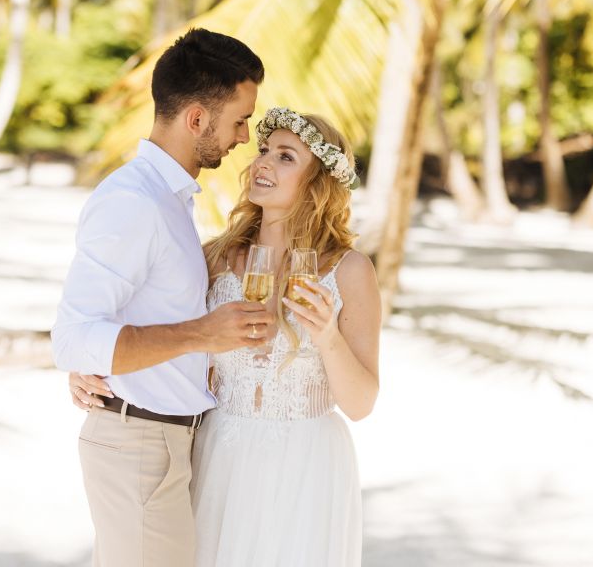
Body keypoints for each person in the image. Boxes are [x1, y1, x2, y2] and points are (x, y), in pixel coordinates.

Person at [72, 106, 381, 566]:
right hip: (218, 451)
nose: (262, 163)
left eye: (285, 156)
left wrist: (327, 336)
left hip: (307, 465)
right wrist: (91, 361)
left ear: (318, 181)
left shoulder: (349, 271)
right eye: (263, 151)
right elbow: (153, 327)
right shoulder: (215, 258)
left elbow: (360, 404)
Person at [51, 28, 274, 567]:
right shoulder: (135, 201)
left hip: (162, 445)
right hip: (139, 447)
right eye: (239, 120)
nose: (244, 137)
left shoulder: (168, 200)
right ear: (196, 118)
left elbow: (114, 320)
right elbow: (74, 337)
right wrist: (203, 334)